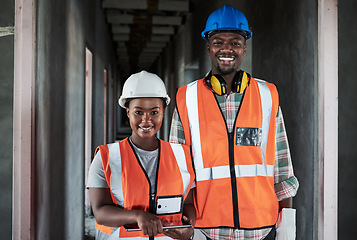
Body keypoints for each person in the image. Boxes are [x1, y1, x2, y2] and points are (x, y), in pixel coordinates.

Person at [169, 5, 299, 240]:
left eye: (235, 42)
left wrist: (286, 230)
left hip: (260, 228)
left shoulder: (266, 96)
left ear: (244, 49)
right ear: (208, 47)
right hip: (206, 229)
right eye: (218, 41)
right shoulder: (186, 98)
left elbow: (282, 166)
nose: (226, 48)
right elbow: (177, 172)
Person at [88, 70, 196, 240]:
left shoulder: (182, 155)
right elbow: (100, 211)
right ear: (127, 112)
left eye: (154, 112)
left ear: (163, 112)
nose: (146, 120)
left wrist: (189, 227)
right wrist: (137, 216)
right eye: (138, 112)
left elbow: (188, 203)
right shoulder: (106, 157)